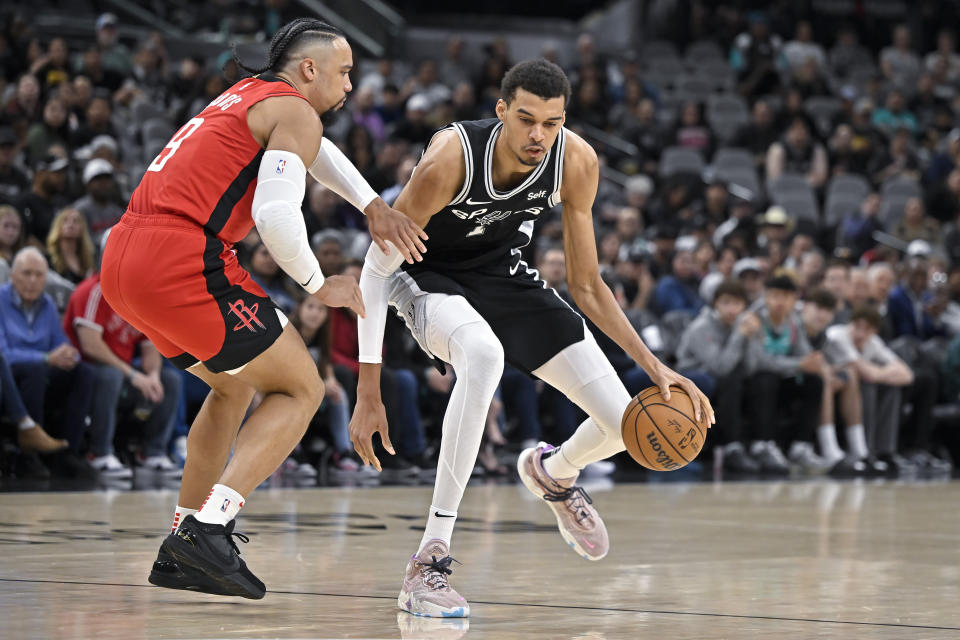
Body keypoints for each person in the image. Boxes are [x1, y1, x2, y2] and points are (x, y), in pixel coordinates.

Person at [349, 58, 713, 618]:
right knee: (483, 354)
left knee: (626, 425)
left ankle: (555, 472)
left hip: (504, 274)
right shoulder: (451, 159)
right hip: (424, 274)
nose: (539, 135)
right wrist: (367, 389)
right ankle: (430, 558)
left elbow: (587, 284)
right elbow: (374, 271)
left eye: (552, 122)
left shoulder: (576, 161)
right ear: (501, 112)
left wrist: (654, 364)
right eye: (525, 120)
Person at [98, 19, 426, 599]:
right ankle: (211, 526)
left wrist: (372, 203)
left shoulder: (247, 97)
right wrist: (318, 283)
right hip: (182, 258)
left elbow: (318, 152)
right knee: (300, 388)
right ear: (309, 70)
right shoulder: (296, 110)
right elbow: (276, 216)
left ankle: (183, 537)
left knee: (231, 388)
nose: (350, 84)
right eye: (344, 72)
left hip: (125, 258)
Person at [63, 242, 184, 480]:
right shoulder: (92, 291)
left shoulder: (138, 296)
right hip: (84, 371)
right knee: (111, 375)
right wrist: (133, 375)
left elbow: (151, 345)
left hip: (123, 373)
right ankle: (98, 453)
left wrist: (152, 376)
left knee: (170, 380)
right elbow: (90, 345)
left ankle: (152, 453)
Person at [0, 248, 94, 455]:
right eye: (27, 273)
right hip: (13, 372)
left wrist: (70, 355)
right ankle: (32, 453)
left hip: (43, 368)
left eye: (39, 274)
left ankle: (69, 452)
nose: (33, 280)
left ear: (46, 279)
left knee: (83, 372)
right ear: (13, 275)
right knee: (35, 370)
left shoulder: (48, 305)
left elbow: (61, 342)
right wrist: (46, 358)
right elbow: (3, 354)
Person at [675, 279, 761, 474]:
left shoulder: (740, 326)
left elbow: (751, 367)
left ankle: (761, 445)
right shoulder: (701, 327)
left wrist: (752, 337)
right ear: (716, 304)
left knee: (760, 382)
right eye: (726, 302)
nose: (732, 309)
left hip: (722, 378)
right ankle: (732, 446)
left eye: (737, 303)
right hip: (692, 379)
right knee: (729, 380)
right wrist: (740, 335)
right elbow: (720, 367)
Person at [45, 207, 95, 284]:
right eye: (65, 220)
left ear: (82, 229)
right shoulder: (48, 259)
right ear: (58, 227)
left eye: (75, 221)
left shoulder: (87, 260)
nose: (70, 224)